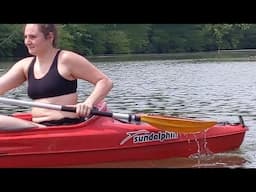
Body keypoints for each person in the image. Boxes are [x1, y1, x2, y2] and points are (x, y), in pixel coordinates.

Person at [0, 24, 113, 130]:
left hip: (63, 125)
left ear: (50, 37)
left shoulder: (66, 59)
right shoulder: (25, 65)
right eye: (25, 37)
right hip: (37, 127)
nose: (27, 42)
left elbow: (104, 81)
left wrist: (89, 103)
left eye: (32, 37)